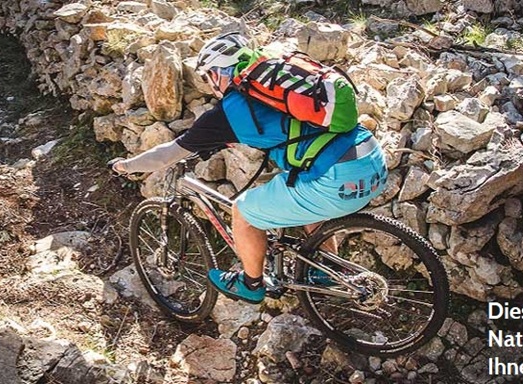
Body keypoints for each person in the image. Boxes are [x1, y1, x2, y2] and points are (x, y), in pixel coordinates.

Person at [109, 32, 388, 304]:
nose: (210, 86)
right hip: (371, 164)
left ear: (218, 73)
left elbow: (167, 154)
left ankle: (250, 284)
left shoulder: (230, 110)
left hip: (335, 181)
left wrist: (126, 166)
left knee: (243, 211)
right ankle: (327, 268)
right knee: (304, 200)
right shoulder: (276, 84)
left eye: (208, 78)